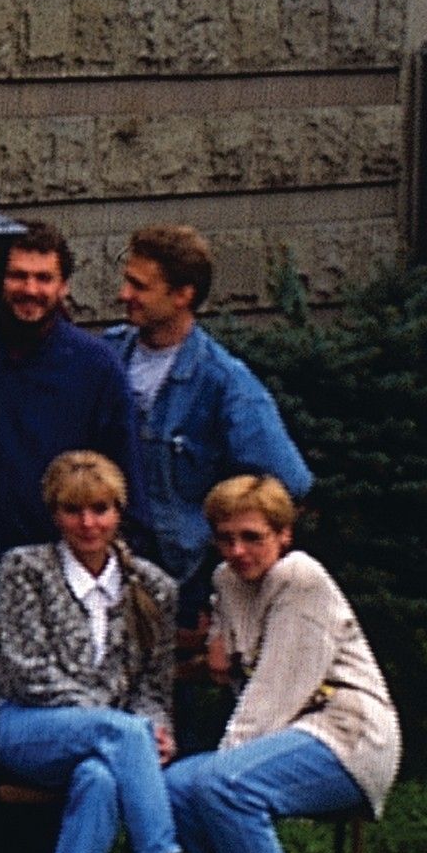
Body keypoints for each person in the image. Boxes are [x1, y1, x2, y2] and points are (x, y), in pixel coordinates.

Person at [171, 472, 400, 853]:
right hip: (290, 733)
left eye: (253, 537)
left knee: (220, 786)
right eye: (226, 538)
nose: (238, 551)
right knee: (175, 788)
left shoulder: (301, 578)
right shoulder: (228, 579)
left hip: (347, 733)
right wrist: (216, 638)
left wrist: (223, 771)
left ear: (284, 535)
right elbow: (234, 641)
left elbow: (277, 690)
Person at [0, 446, 204, 853]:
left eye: (100, 509)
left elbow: (154, 684)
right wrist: (119, 724)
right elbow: (26, 669)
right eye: (73, 510)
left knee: (100, 779)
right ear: (55, 514)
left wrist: (156, 729)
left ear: (119, 512)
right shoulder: (25, 568)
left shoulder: (152, 585)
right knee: (120, 734)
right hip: (29, 726)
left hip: (114, 743)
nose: (88, 524)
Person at [0, 217, 136, 567]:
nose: (30, 289)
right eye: (18, 276)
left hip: (61, 568)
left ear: (64, 286)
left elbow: (123, 474)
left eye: (44, 278)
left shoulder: (97, 368)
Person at [113, 223, 311, 592]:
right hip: (108, 570)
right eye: (127, 281)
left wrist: (226, 552)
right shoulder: (107, 357)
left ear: (182, 295)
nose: (124, 294)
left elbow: (289, 482)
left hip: (183, 582)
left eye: (139, 286)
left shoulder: (225, 383)